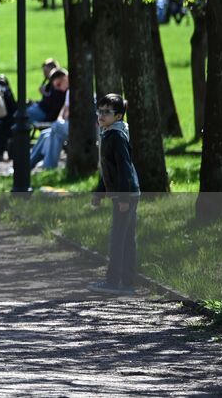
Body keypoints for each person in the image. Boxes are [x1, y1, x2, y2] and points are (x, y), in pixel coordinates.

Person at [90, 94, 140, 295]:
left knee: (118, 239)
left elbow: (124, 169)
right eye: (99, 110)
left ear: (118, 116)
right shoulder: (109, 133)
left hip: (125, 194)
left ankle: (113, 282)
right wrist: (99, 192)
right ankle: (128, 283)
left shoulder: (117, 137)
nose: (101, 115)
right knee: (126, 238)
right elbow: (108, 170)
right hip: (126, 193)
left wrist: (124, 199)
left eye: (106, 112)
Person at [29, 68, 71, 171]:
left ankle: (48, 167)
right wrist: (60, 118)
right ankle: (27, 166)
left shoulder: (75, 92)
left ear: (66, 78)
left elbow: (68, 111)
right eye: (56, 86)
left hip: (73, 125)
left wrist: (61, 119)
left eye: (59, 84)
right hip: (65, 123)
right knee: (45, 134)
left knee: (55, 127)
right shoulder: (67, 92)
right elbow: (63, 110)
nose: (59, 88)